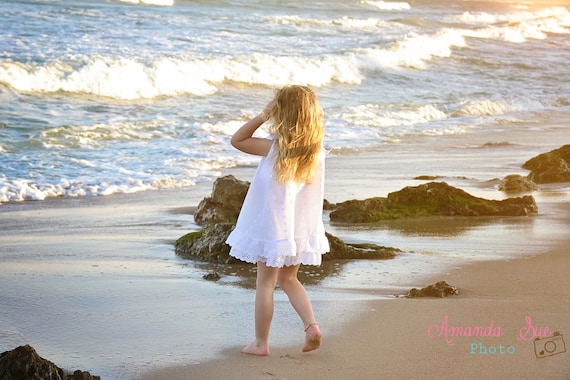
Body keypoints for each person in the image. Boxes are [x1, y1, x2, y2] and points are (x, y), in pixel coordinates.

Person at [226, 85, 330, 356]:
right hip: (299, 228)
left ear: (281, 113)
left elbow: (237, 140)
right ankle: (312, 326)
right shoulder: (316, 152)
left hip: (273, 228)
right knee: (289, 279)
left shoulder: (275, 149)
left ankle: (261, 343)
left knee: (265, 284)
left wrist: (263, 114)